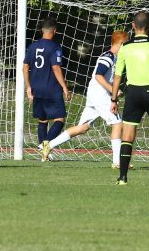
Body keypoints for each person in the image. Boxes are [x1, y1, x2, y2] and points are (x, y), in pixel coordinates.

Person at [42, 31, 130, 167]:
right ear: (121, 44)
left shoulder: (115, 57)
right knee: (117, 124)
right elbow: (98, 76)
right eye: (127, 45)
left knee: (83, 127)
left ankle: (49, 145)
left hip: (95, 94)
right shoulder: (108, 57)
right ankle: (118, 162)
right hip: (100, 95)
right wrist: (113, 91)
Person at [110, 11, 149, 186]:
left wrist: (113, 99)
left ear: (132, 26)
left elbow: (117, 76)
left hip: (133, 93)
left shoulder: (126, 47)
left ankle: (122, 178)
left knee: (127, 137)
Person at [22, 16, 71, 160]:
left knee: (43, 120)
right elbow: (56, 68)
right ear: (54, 31)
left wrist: (28, 87)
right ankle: (46, 146)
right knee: (60, 119)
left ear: (42, 30)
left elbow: (25, 68)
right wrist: (64, 87)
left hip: (37, 88)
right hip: (51, 88)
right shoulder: (55, 47)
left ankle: (44, 154)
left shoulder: (33, 46)